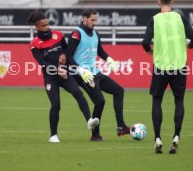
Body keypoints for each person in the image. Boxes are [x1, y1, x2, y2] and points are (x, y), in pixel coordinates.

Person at [28, 11, 99, 143]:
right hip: (51, 77)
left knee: (78, 92)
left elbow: (67, 52)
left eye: (48, 24)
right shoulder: (34, 44)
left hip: (64, 73)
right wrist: (56, 70)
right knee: (56, 104)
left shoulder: (58, 35)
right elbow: (42, 63)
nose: (47, 27)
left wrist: (64, 56)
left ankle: (89, 120)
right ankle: (53, 135)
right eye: (43, 25)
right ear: (37, 27)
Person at [142, 0, 193, 154]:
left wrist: (151, 51)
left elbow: (145, 42)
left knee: (157, 100)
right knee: (179, 101)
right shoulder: (180, 18)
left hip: (160, 66)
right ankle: (176, 137)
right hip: (179, 65)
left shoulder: (154, 19)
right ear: (172, 1)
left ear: (158, 2)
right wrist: (187, 45)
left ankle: (158, 138)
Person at [67, 8, 130, 141]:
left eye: (96, 20)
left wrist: (109, 59)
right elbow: (68, 57)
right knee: (100, 101)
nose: (95, 23)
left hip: (95, 72)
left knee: (119, 91)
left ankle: (121, 126)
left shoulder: (95, 33)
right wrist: (80, 70)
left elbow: (100, 51)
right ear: (84, 18)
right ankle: (95, 135)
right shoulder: (76, 34)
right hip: (83, 75)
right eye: (92, 20)